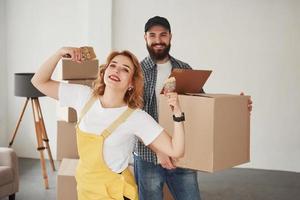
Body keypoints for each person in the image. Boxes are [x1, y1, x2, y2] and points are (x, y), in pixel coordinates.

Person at [31, 47, 187, 200]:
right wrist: (59, 53)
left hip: (115, 193)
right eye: (112, 65)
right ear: (104, 72)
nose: (116, 70)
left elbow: (176, 150)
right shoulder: (83, 96)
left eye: (125, 69)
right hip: (85, 189)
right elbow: (39, 82)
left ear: (131, 83)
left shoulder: (136, 117)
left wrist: (177, 113)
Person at [134, 16, 252, 200]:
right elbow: (133, 117)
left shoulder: (184, 68)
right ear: (145, 38)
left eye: (163, 35)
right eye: (152, 35)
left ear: (170, 37)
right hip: (148, 157)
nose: (158, 40)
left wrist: (236, 108)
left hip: (183, 156)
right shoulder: (137, 72)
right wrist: (160, 151)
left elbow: (201, 106)